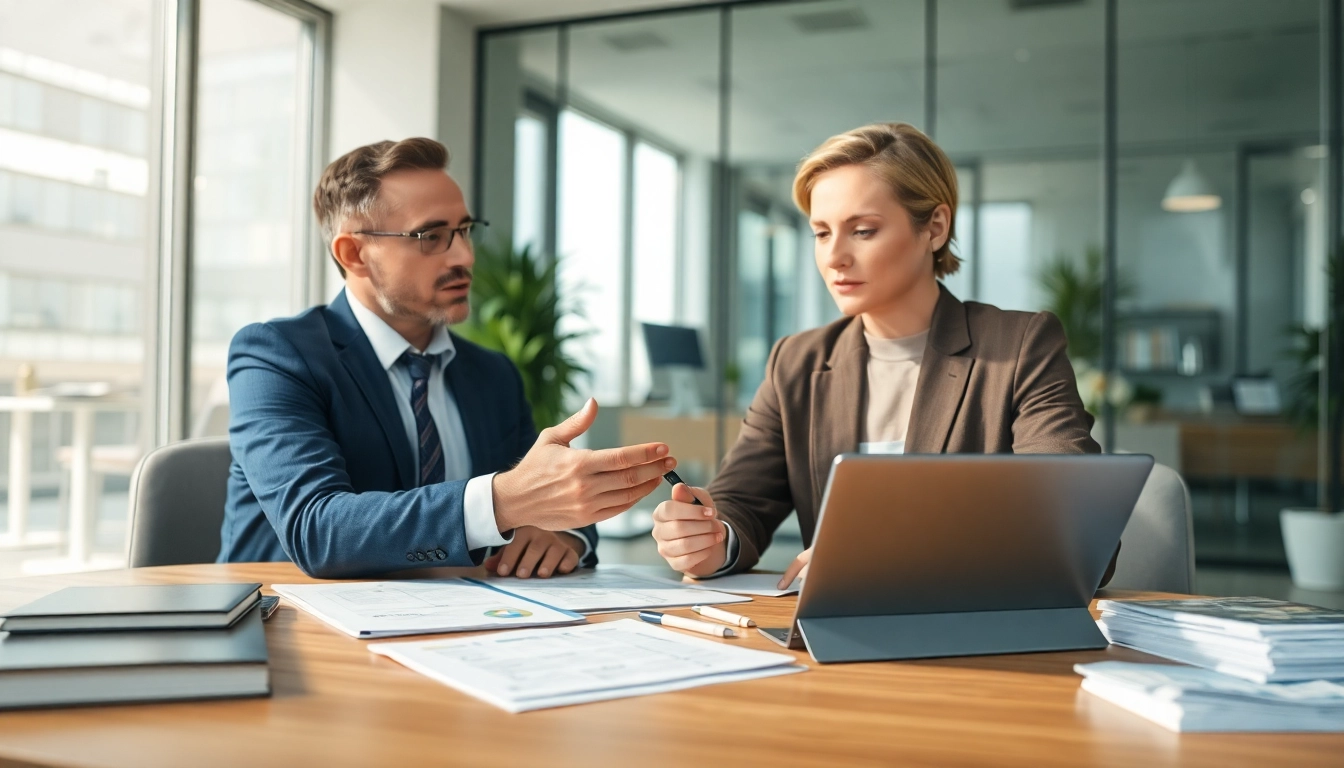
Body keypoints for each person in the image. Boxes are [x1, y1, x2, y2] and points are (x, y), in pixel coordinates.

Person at [651, 122, 1105, 589]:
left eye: (863, 231)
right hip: (836, 640)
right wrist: (709, 539)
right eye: (821, 233)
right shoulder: (796, 361)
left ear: (935, 226)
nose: (834, 257)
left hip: (975, 628)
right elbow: (740, 501)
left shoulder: (1019, 346)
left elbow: (1077, 522)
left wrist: (894, 552)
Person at [219, 137, 675, 579]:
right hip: (288, 628)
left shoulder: (493, 374)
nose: (464, 256)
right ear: (353, 253)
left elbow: (542, 493)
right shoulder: (277, 355)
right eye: (431, 236)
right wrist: (504, 501)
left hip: (460, 626)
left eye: (464, 231)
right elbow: (317, 530)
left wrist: (567, 534)